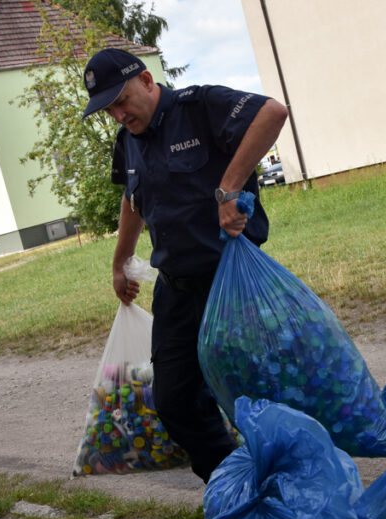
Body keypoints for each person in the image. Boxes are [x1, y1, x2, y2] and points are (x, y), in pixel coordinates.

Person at [82, 48, 288, 483]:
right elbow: (132, 200)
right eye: (108, 109)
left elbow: (272, 112)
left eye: (120, 101)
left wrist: (230, 187)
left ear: (146, 81)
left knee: (253, 394)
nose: (118, 114)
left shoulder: (199, 107)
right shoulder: (128, 141)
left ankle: (290, 482)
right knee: (175, 401)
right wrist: (120, 262)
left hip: (229, 282)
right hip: (175, 289)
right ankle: (236, 485)